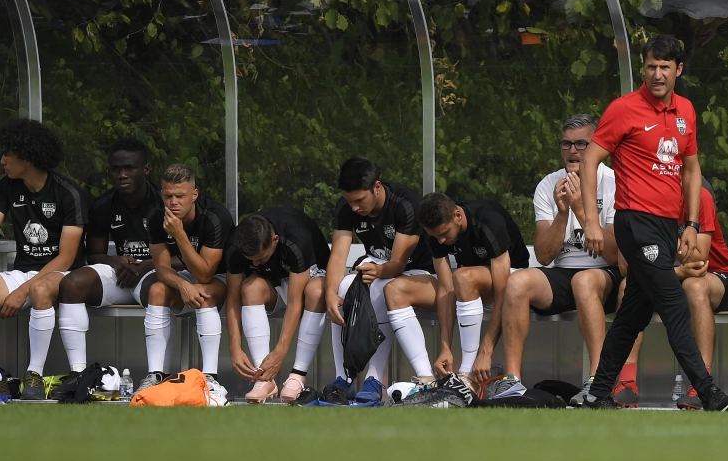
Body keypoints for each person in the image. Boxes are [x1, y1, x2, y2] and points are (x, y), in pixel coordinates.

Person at [576, 34, 728, 410]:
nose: (656, 74)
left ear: (678, 70)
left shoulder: (686, 110)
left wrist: (691, 223)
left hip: (669, 227)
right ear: (644, 67)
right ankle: (708, 392)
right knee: (673, 303)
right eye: (651, 66)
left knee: (631, 315)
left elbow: (692, 169)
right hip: (635, 222)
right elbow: (590, 161)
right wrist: (589, 220)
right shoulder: (623, 109)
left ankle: (598, 392)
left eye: (665, 67)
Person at [470, 114, 623, 400]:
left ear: (597, 145)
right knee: (517, 283)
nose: (573, 151)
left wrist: (580, 209)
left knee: (585, 281)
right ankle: (513, 381)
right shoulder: (548, 185)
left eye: (581, 144)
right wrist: (563, 212)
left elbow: (615, 253)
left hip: (606, 273)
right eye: (566, 144)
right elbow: (543, 254)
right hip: (564, 273)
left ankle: (598, 381)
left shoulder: (613, 182)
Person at [280, 158, 436, 405]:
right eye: (349, 201)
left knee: (380, 289)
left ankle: (374, 380)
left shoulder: (406, 205)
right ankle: (344, 378)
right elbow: (338, 255)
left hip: (419, 271)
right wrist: (331, 294)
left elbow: (397, 263)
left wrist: (377, 269)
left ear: (376, 186)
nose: (353, 208)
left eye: (359, 201)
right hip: (378, 264)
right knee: (343, 287)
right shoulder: (346, 207)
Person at [0, 119, 86, 398]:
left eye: (7, 154)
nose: (2, 160)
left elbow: (67, 257)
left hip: (63, 275)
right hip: (24, 271)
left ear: (27, 156)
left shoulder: (67, 192)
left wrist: (22, 291)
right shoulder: (8, 185)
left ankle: (32, 375)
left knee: (39, 288)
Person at [26, 138, 166, 377]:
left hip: (154, 271)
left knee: (159, 289)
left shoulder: (163, 202)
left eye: (129, 168)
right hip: (123, 274)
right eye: (116, 169)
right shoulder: (103, 205)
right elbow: (95, 254)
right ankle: (79, 374)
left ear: (146, 169)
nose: (122, 174)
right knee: (72, 284)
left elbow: (180, 257)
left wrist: (144, 267)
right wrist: (118, 260)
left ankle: (156, 374)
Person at [138, 164, 233, 404]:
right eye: (168, 196)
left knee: (203, 292)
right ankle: (155, 375)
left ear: (194, 195)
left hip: (222, 279)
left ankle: (210, 378)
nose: (173, 202)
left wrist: (179, 235)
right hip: (187, 276)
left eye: (180, 196)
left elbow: (206, 273)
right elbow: (161, 268)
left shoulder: (215, 216)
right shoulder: (156, 216)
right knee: (157, 290)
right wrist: (181, 285)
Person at [416, 193, 530, 388]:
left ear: (457, 216)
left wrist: (486, 352)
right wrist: (445, 347)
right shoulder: (437, 236)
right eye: (436, 236)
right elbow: (445, 289)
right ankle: (458, 376)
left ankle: (467, 375)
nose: (441, 240)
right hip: (473, 283)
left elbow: (504, 291)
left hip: (517, 280)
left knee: (462, 277)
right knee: (462, 278)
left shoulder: (488, 221)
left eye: (445, 233)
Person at [224, 207, 330, 403]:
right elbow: (233, 299)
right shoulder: (236, 244)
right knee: (249, 288)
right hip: (275, 282)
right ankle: (263, 378)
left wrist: (280, 352)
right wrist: (235, 349)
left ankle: (298, 376)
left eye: (261, 258)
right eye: (251, 260)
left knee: (316, 291)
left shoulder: (296, 237)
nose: (255, 263)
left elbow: (295, 301)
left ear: (275, 240)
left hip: (308, 280)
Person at [670, 183, 728, 409]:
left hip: (720, 276)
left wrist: (655, 239)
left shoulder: (698, 195)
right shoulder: (646, 197)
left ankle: (702, 385)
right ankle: (626, 383)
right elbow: (630, 260)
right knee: (629, 286)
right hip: (673, 275)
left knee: (694, 286)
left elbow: (699, 257)